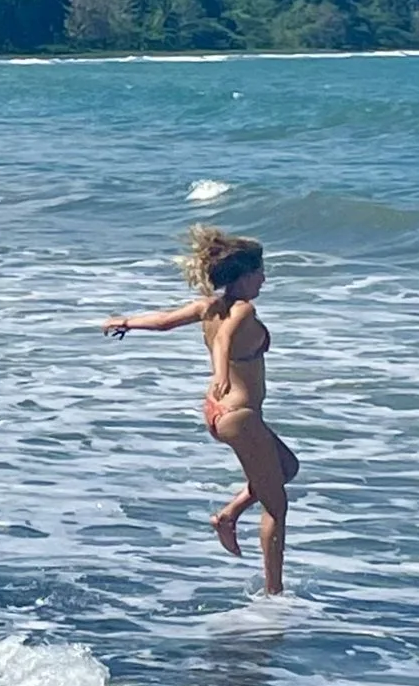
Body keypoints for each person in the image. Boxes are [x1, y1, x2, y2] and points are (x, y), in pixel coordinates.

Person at [102, 225, 297, 594]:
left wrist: (126, 322)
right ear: (243, 276)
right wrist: (221, 373)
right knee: (276, 506)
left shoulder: (206, 307)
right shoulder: (244, 309)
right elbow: (224, 340)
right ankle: (275, 595)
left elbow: (163, 322)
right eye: (260, 272)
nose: (264, 279)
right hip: (240, 415)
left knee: (287, 467)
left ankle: (228, 515)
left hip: (218, 414)